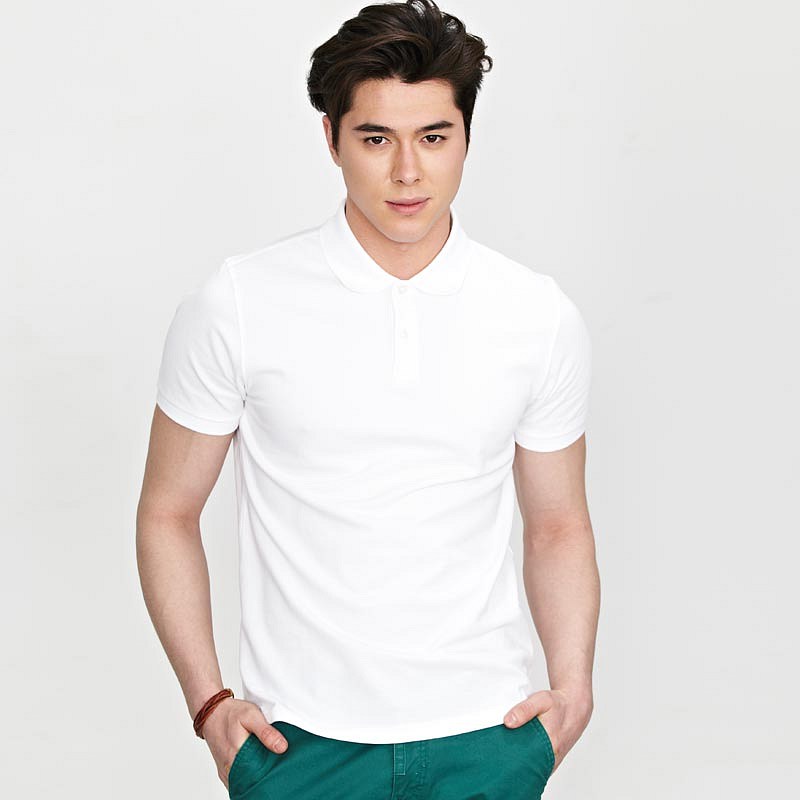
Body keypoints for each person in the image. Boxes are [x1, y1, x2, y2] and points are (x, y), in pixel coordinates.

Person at [136, 1, 600, 797]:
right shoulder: (239, 303)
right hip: (299, 747)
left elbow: (558, 523)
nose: (408, 172)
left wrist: (574, 690)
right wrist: (209, 703)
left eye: (434, 137)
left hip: (488, 738)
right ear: (332, 139)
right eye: (377, 139)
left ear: (466, 138)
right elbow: (167, 511)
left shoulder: (536, 314)